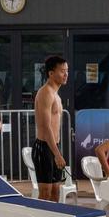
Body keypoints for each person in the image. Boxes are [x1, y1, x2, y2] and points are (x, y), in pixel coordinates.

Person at [33, 55, 68, 202]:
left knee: (55, 191)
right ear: (51, 73)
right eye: (62, 71)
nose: (66, 74)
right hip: (44, 147)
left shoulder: (56, 95)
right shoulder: (46, 93)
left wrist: (57, 151)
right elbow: (46, 126)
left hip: (54, 146)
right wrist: (57, 154)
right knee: (45, 193)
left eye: (67, 70)